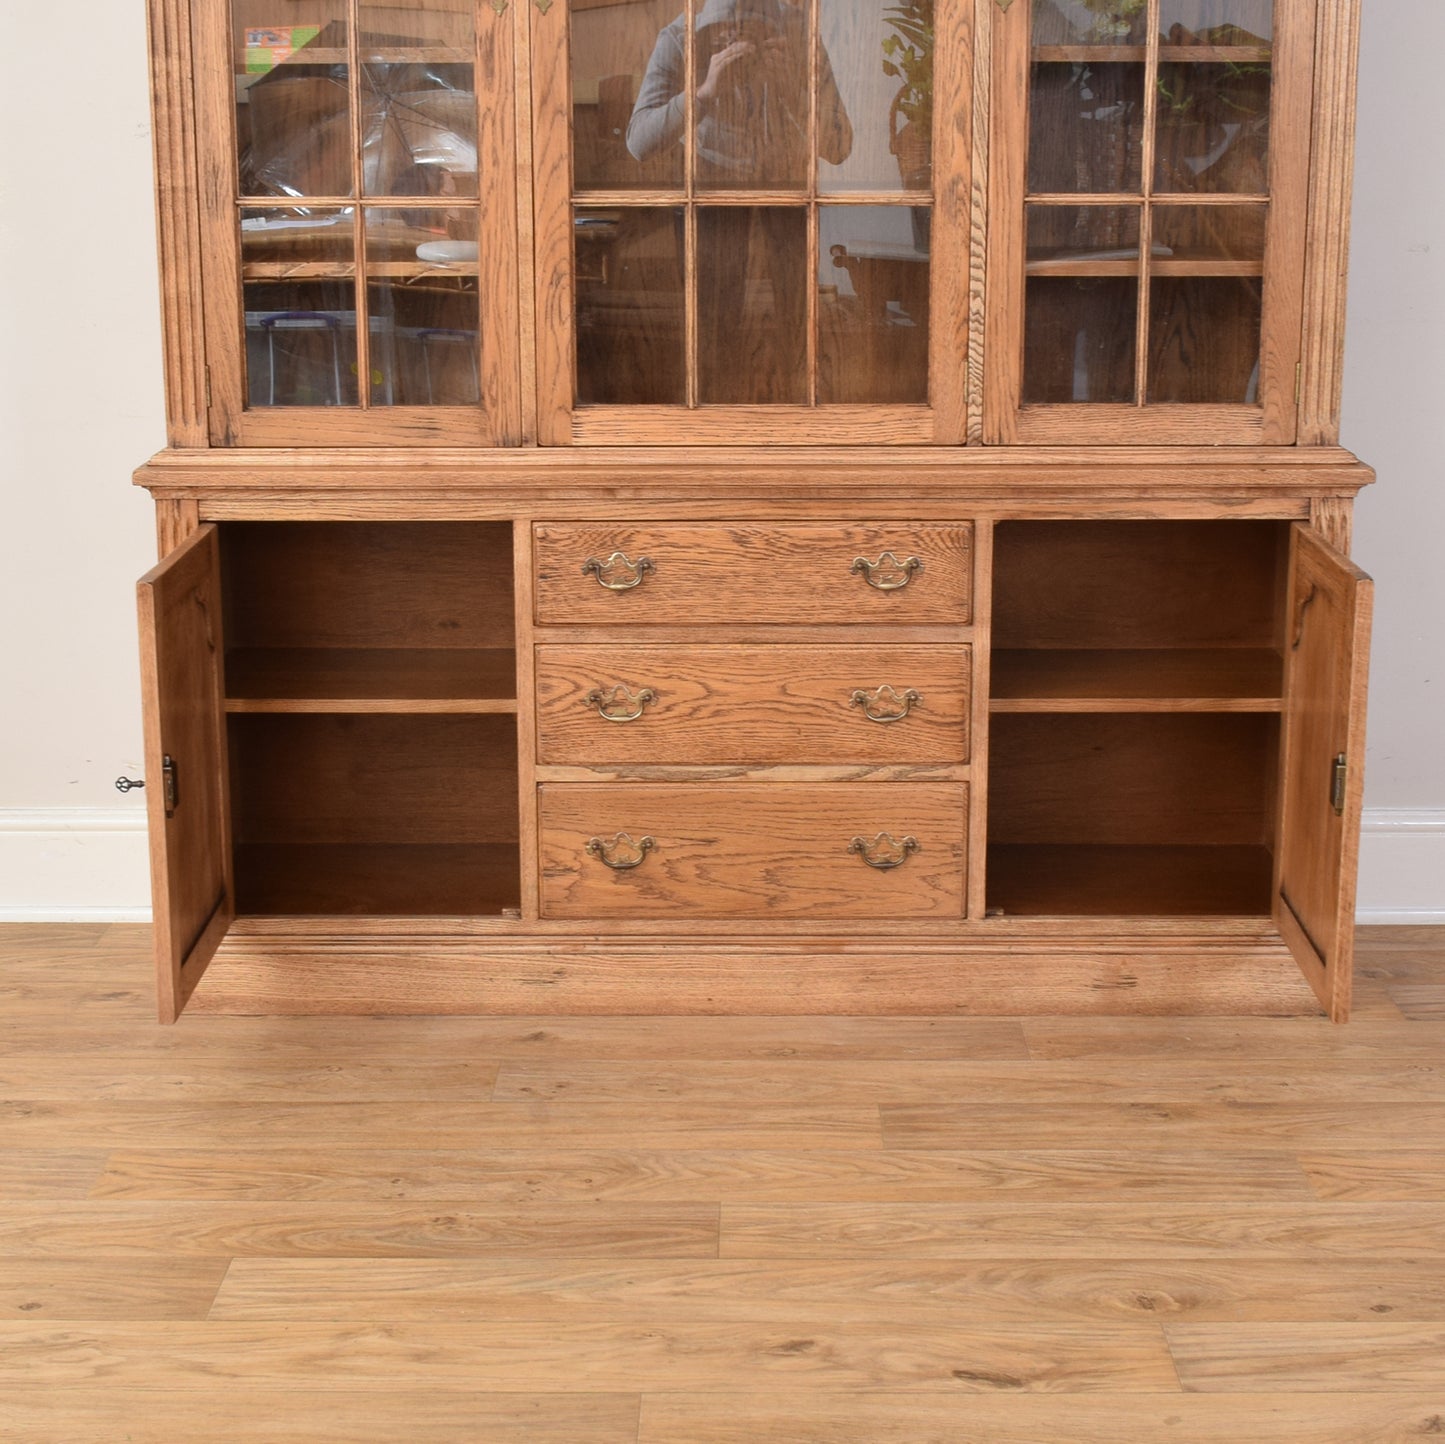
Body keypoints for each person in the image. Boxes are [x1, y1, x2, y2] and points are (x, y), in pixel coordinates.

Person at [625, 0, 852, 402]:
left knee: (800, 324)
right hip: (709, 192)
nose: (737, 42)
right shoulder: (677, 38)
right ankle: (712, 421)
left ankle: (801, 422)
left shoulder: (800, 32)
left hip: (789, 189)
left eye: (751, 30)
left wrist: (793, 90)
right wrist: (705, 94)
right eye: (724, 34)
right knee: (713, 324)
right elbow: (639, 143)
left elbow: (840, 146)